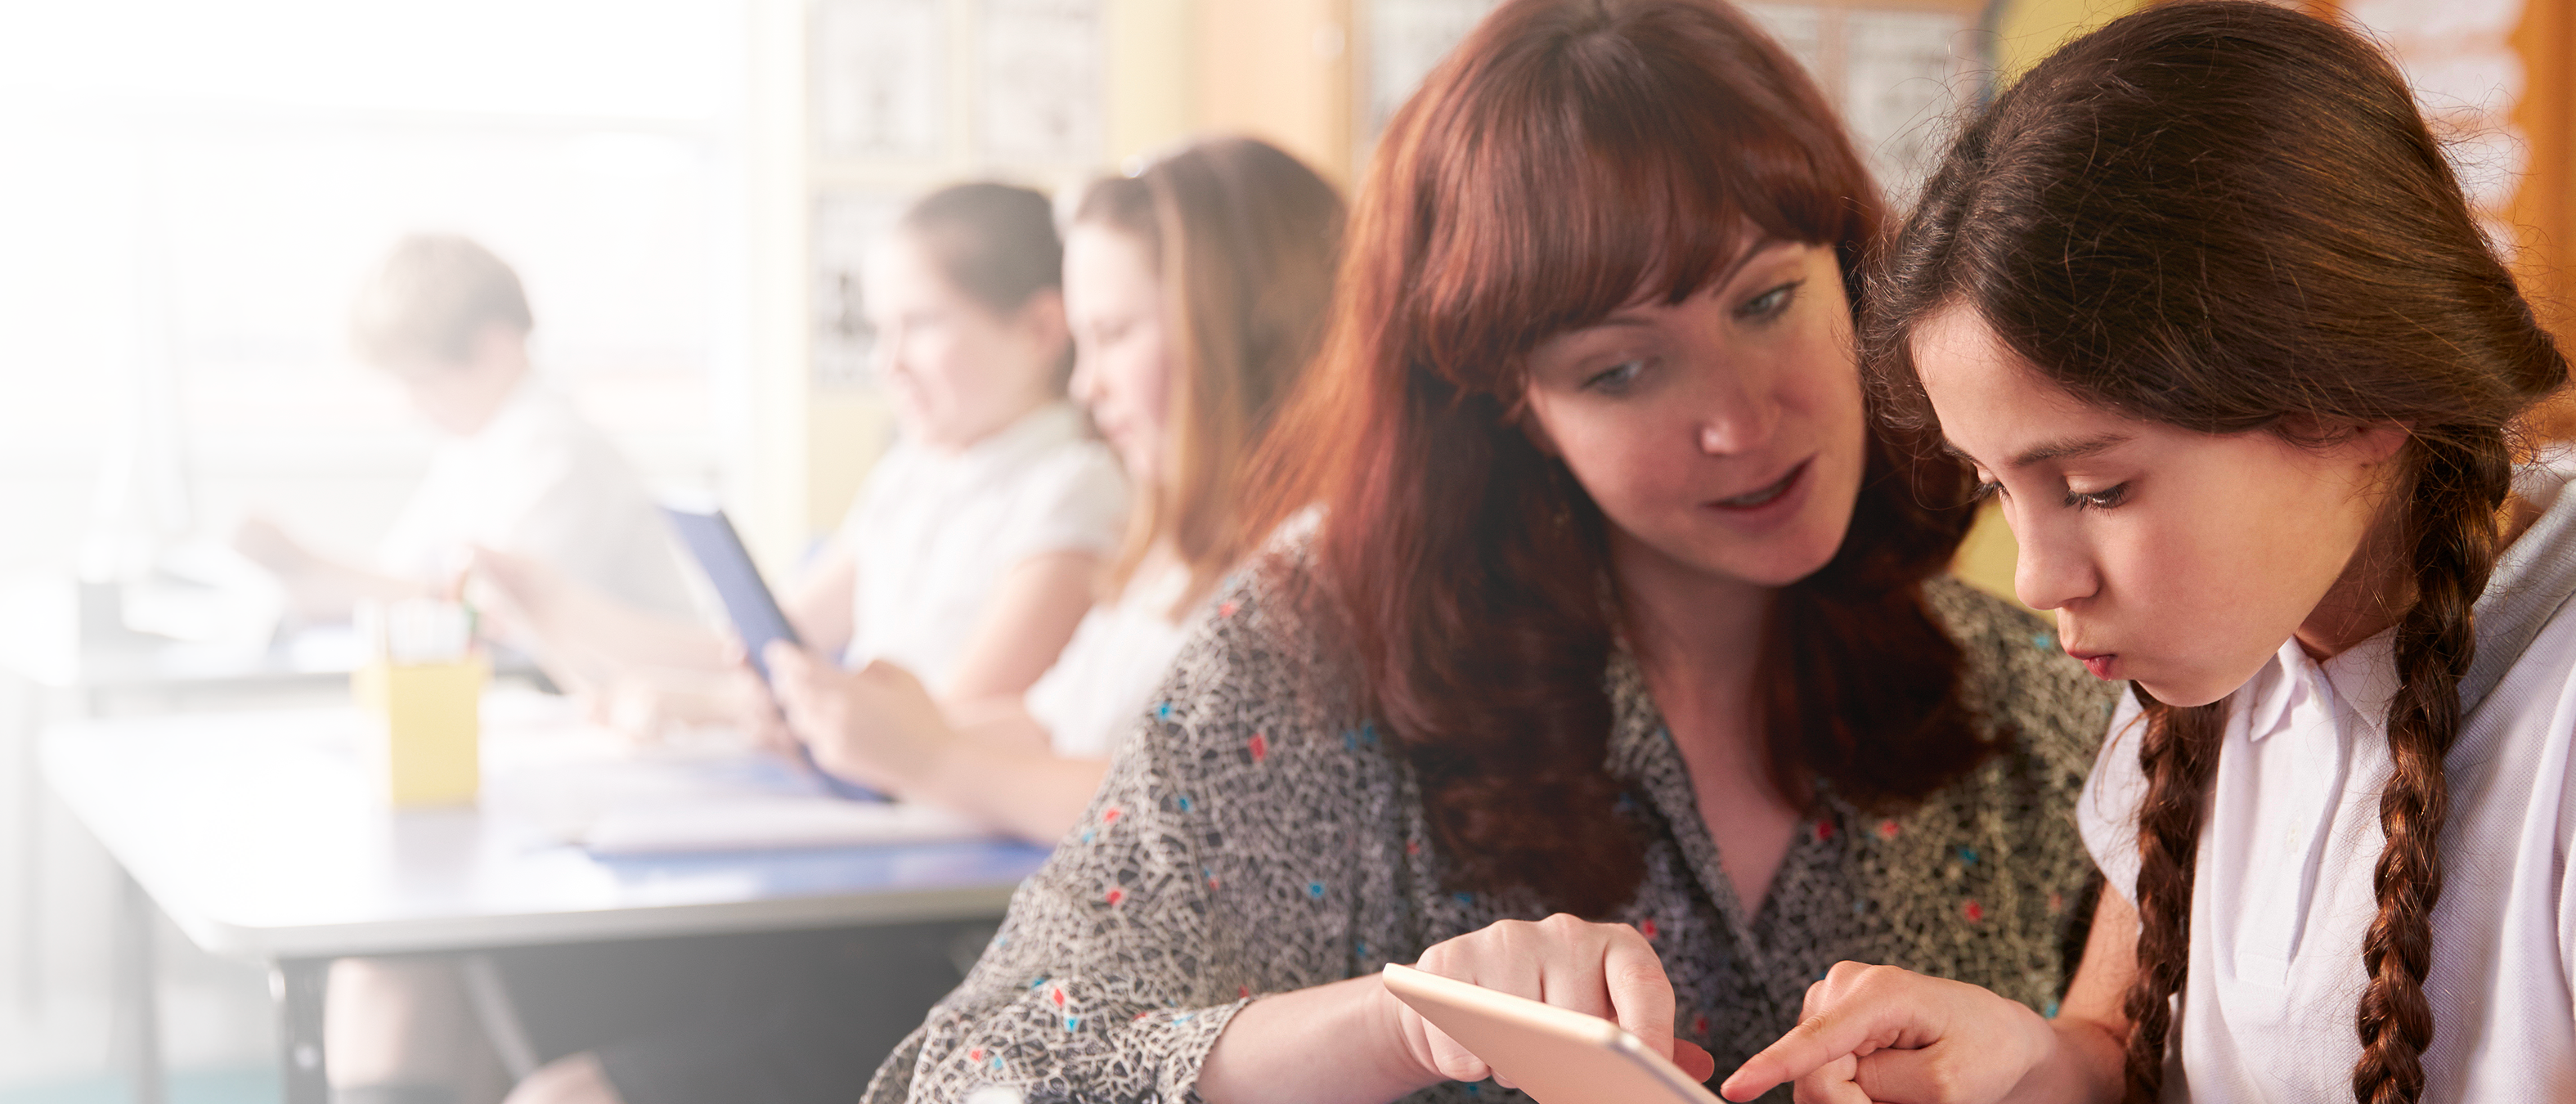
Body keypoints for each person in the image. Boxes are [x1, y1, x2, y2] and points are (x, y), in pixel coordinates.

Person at [866, 3, 2112, 1102]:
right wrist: (1398, 1021)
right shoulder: (1321, 675)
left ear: (1852, 271)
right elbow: (972, 1077)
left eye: (1765, 301)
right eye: (1619, 370)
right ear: (1511, 404)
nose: (1736, 420)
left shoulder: (2036, 691)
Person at [1719, 4, 2576, 1102]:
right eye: (1997, 486)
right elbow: (2116, 1040)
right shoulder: (2207, 652)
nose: (2037, 578)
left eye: (2095, 488)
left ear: (2355, 393)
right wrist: (2020, 1061)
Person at [762, 136, 1346, 843]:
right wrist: (862, 732)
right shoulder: (1168, 554)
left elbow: (1192, 812)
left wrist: (929, 756)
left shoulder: (1313, 568)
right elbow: (1049, 725)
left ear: (1243, 336)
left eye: (1116, 333)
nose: (1084, 384)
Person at [236, 233, 697, 625]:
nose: (414, 406)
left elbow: (494, 616)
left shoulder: (561, 452)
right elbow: (401, 575)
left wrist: (305, 562)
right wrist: (293, 574)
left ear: (495, 347)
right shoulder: (477, 446)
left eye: (422, 380)